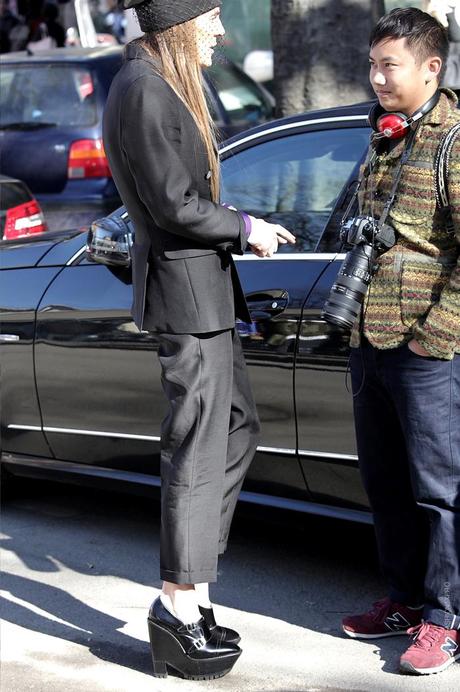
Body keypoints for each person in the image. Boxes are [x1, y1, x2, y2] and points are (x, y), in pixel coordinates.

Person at [102, 0, 295, 681]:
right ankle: (178, 606)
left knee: (235, 430)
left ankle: (193, 588)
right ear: (179, 23)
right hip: (186, 302)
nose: (219, 30)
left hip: (204, 298)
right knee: (197, 448)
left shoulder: (155, 83)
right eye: (210, 17)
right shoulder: (143, 89)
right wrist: (247, 227)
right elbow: (173, 204)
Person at [341, 7, 460, 676]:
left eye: (390, 65)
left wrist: (434, 337)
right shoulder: (383, 134)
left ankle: (446, 620)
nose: (377, 77)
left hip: (426, 346)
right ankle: (404, 602)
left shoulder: (454, 138)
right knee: (384, 482)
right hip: (370, 336)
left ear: (431, 68)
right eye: (373, 64)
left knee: (439, 492)